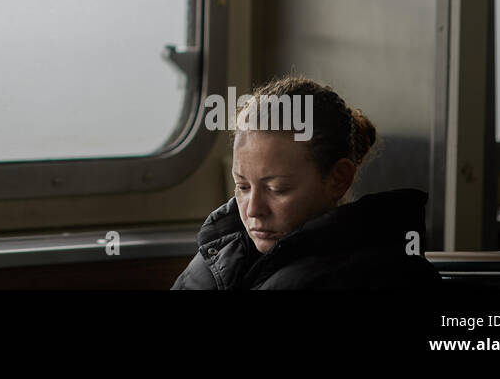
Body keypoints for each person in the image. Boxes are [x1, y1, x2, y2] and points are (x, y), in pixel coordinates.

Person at [171, 75, 442, 289]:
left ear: (338, 179)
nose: (253, 209)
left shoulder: (380, 275)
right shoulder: (219, 251)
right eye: (242, 186)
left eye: (277, 189)